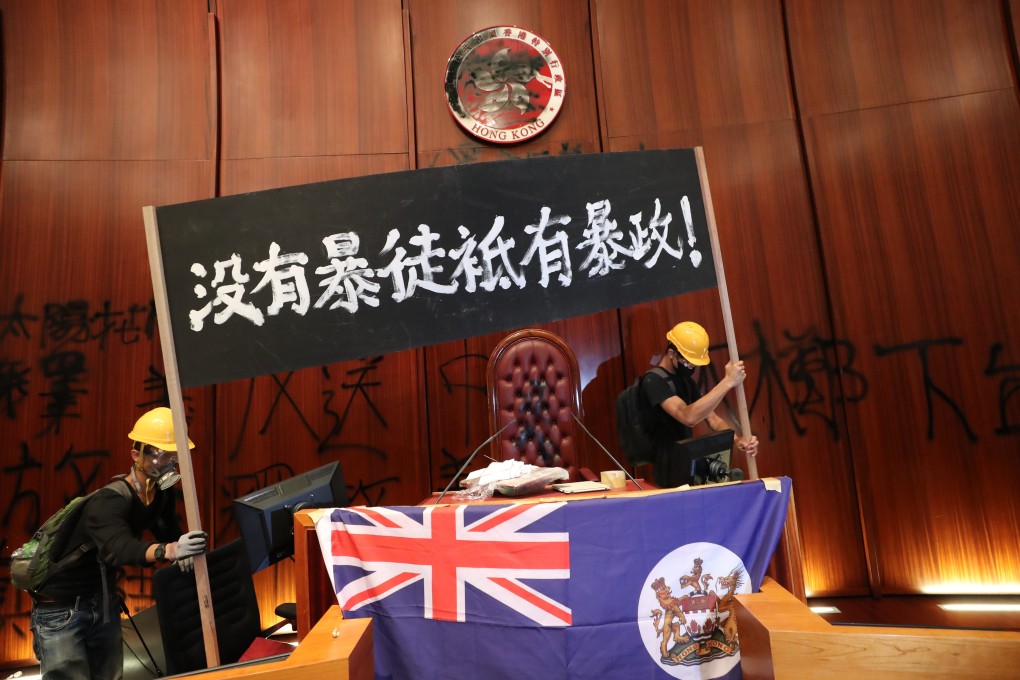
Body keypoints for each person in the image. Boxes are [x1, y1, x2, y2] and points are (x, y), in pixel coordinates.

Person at [30, 407, 208, 680]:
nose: (169, 465)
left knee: (110, 676)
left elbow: (167, 527)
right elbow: (118, 548)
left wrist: (182, 547)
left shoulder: (159, 494)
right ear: (136, 455)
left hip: (102, 601)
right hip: (60, 609)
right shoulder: (109, 501)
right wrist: (170, 550)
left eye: (175, 456)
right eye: (161, 455)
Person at [641, 321, 760, 487]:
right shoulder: (653, 381)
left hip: (685, 464)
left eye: (695, 364)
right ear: (671, 353)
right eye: (688, 362)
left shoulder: (688, 383)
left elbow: (713, 419)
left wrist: (738, 440)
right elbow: (687, 416)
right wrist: (727, 382)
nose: (691, 367)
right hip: (661, 471)